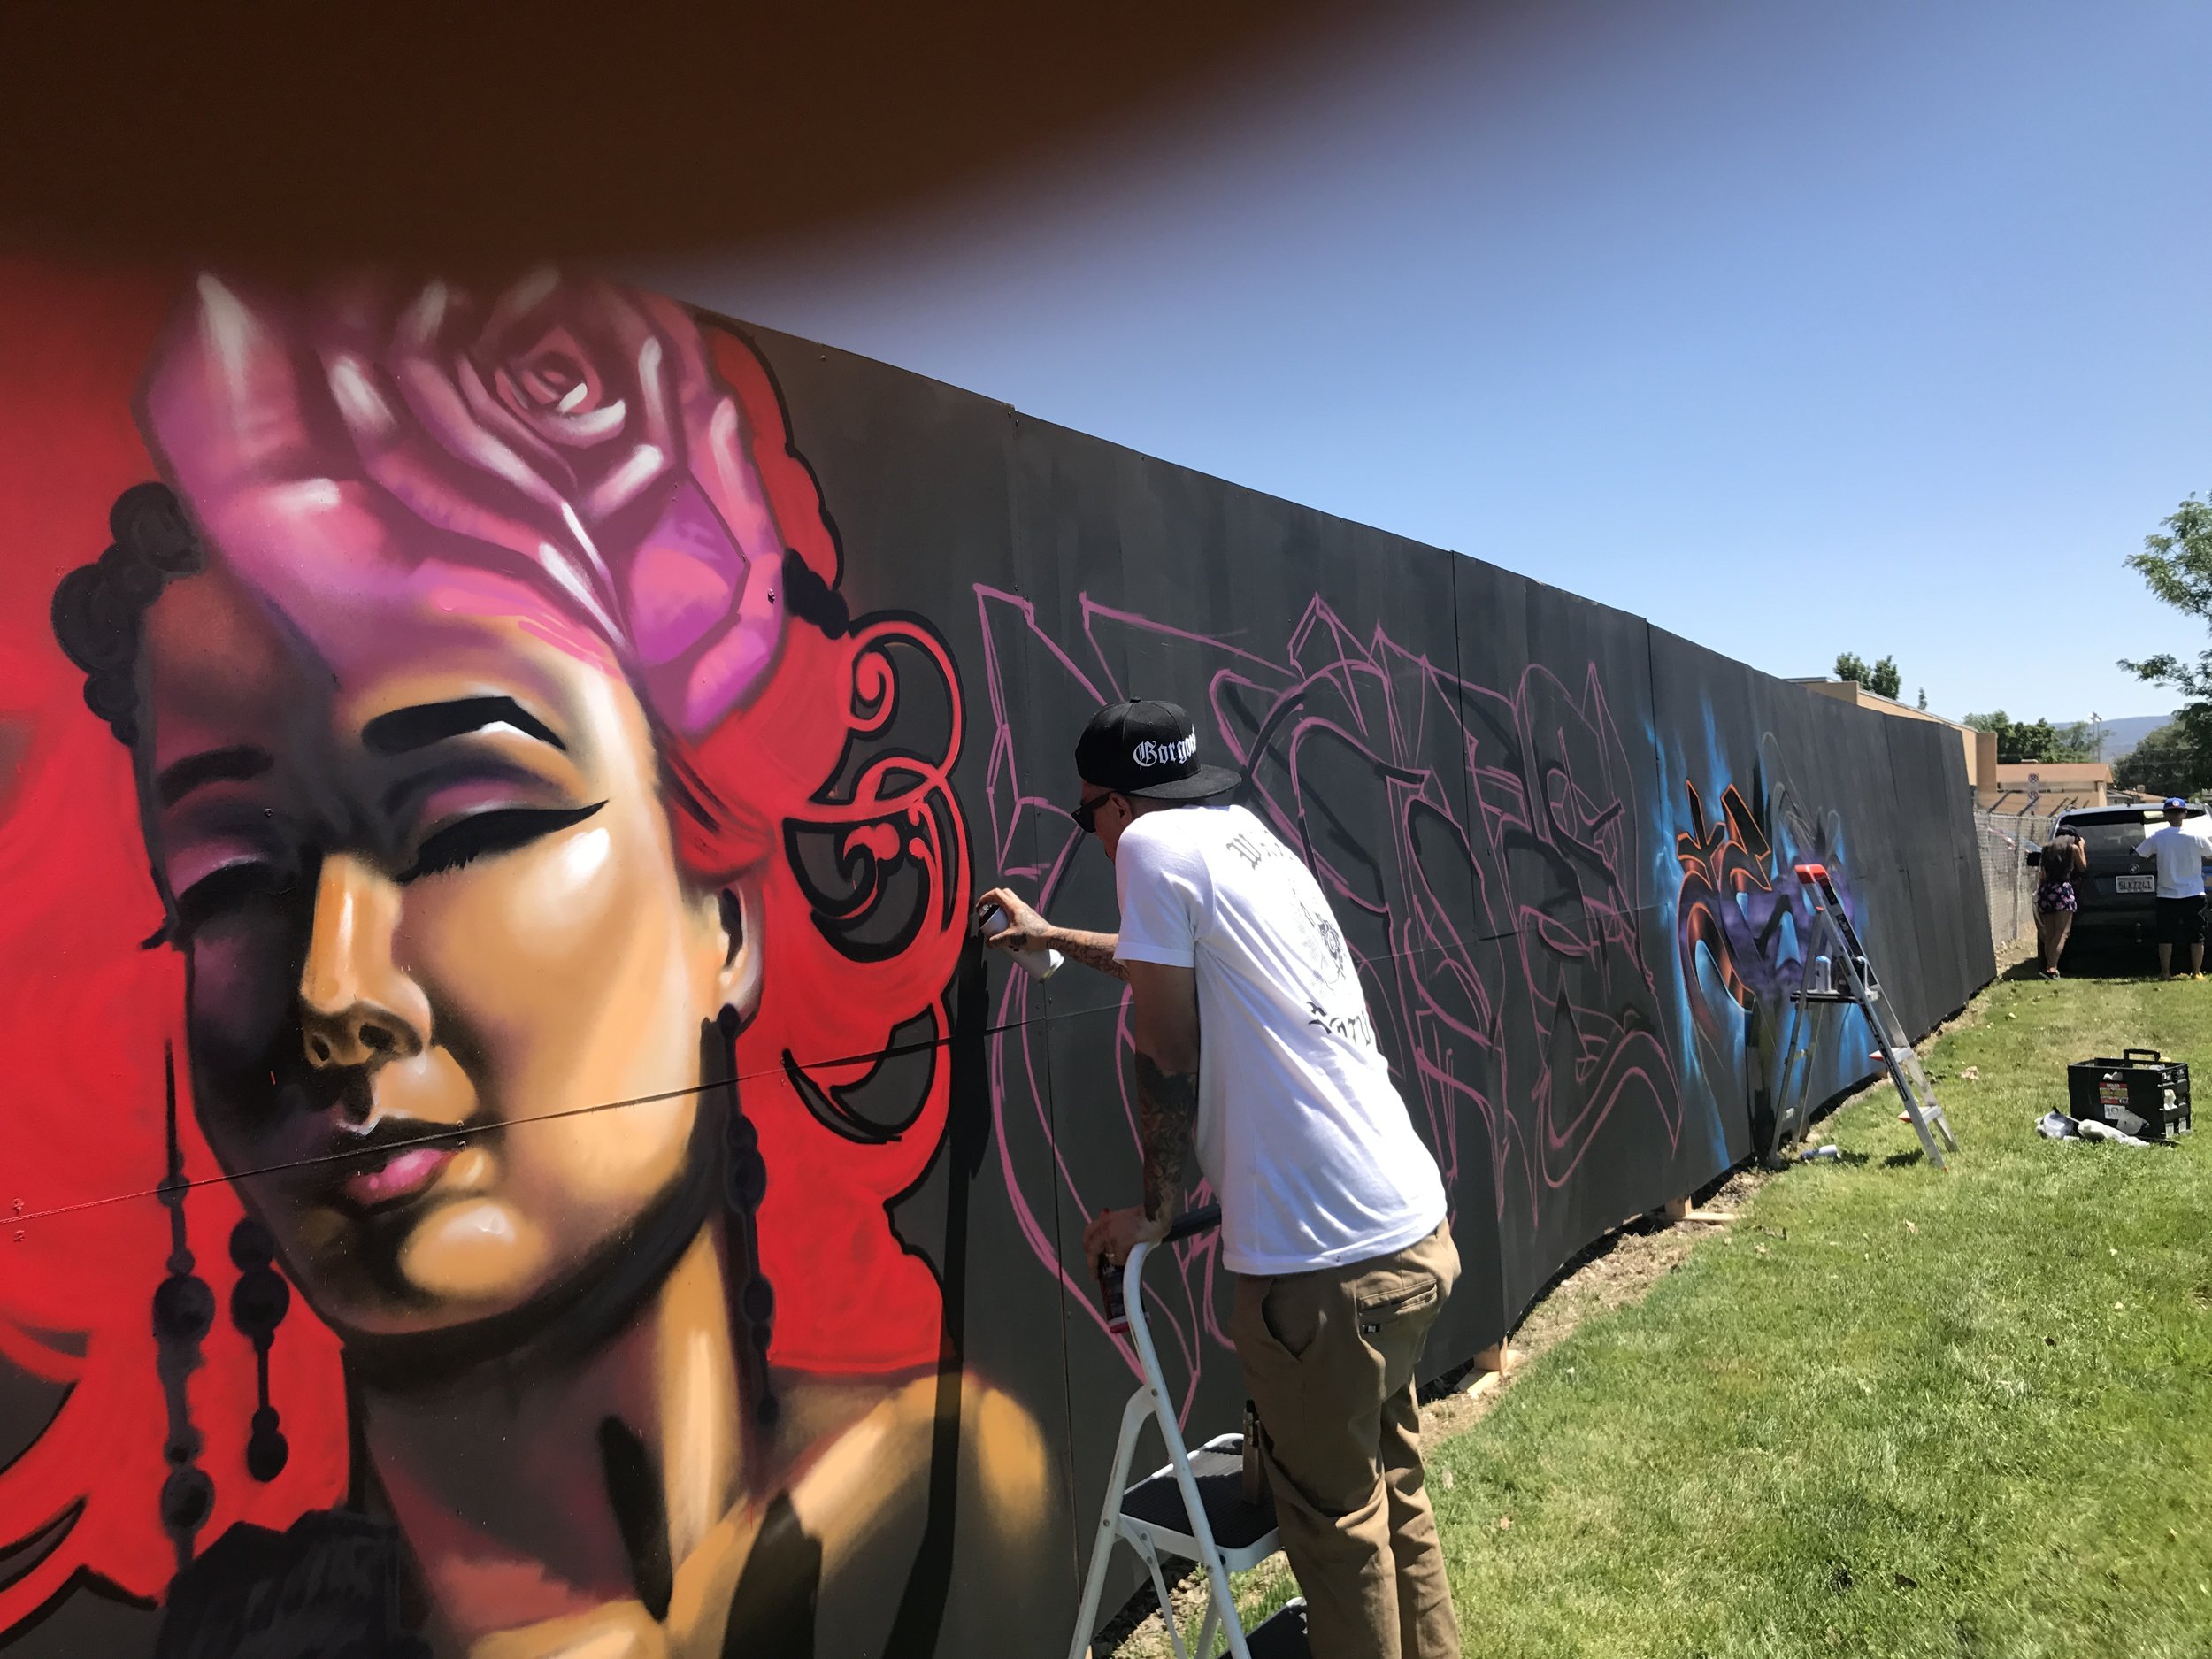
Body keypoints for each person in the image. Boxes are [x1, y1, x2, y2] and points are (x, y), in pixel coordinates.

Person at [34, 271, 1043, 1658]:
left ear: (725, 919)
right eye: (227, 881)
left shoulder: (954, 1486)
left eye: (472, 822)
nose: (333, 992)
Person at [980, 699, 1461, 1659]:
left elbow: (1162, 1044)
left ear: (1117, 806)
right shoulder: (1243, 843)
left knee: (1336, 1531)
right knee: (1392, 1494)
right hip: (1409, 1231)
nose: (1093, 836)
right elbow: (1179, 966)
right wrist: (1059, 939)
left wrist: (1154, 1216)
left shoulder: (1147, 852)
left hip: (1320, 1264)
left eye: (1086, 817)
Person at [2135, 797, 2208, 981]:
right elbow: (2210, 853)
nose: (2176, 815)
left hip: (2167, 893)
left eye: (2176, 812)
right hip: (2193, 892)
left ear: (2165, 815)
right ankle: (2196, 972)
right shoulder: (2197, 836)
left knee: (2166, 935)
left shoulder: (2158, 837)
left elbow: (2140, 855)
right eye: (2174, 812)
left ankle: (2166, 972)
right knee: (2196, 934)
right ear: (2184, 814)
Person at [2033, 820, 2086, 979]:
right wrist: (2082, 846)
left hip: (2046, 890)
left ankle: (2047, 966)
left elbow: (2042, 873)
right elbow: (2082, 867)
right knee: (2062, 932)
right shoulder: (2073, 848)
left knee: (2049, 933)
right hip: (2062, 891)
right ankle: (2052, 968)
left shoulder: (2047, 848)